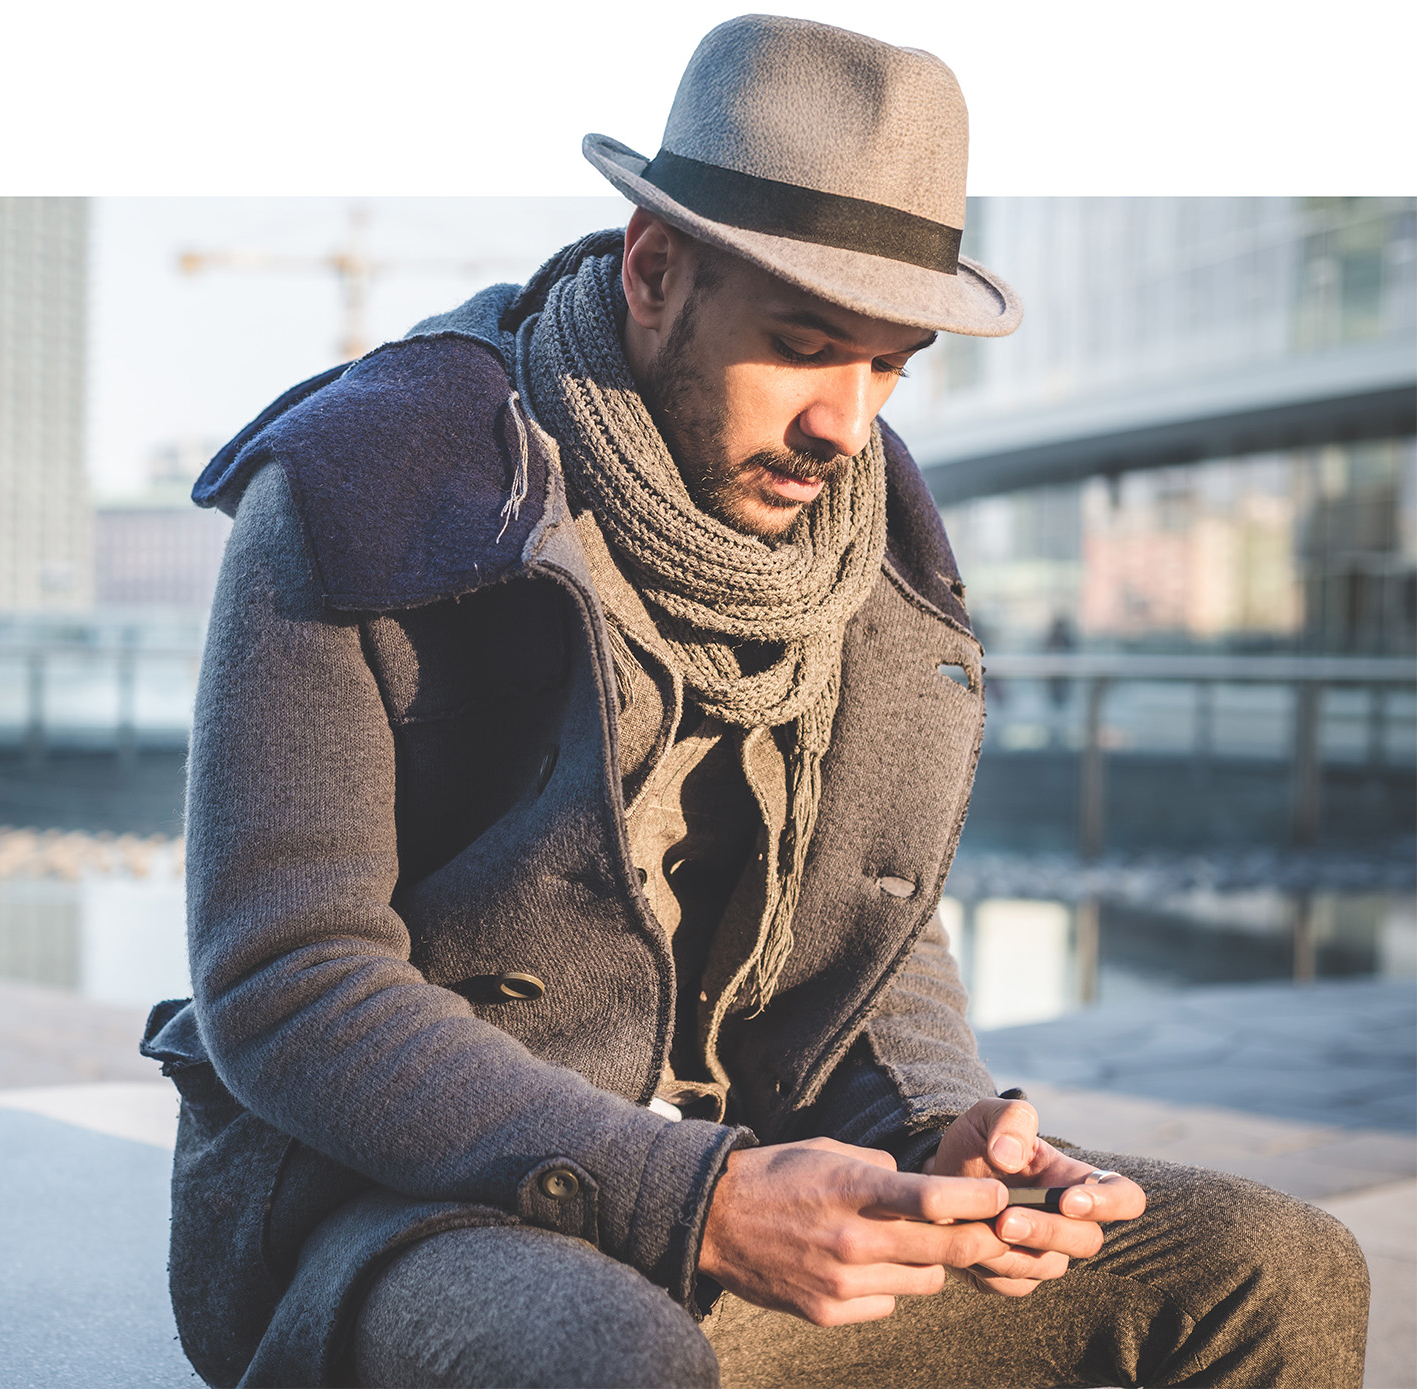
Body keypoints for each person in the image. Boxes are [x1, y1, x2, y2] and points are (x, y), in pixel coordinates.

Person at [142, 16, 1367, 1387]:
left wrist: (942, 1128)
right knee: (615, 1359)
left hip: (750, 1180)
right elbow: (286, 977)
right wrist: (696, 1197)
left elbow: (875, 942)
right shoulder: (372, 486)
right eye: (805, 343)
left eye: (890, 363)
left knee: (1280, 1265)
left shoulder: (875, 545)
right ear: (654, 271)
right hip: (408, 1205)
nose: (849, 422)